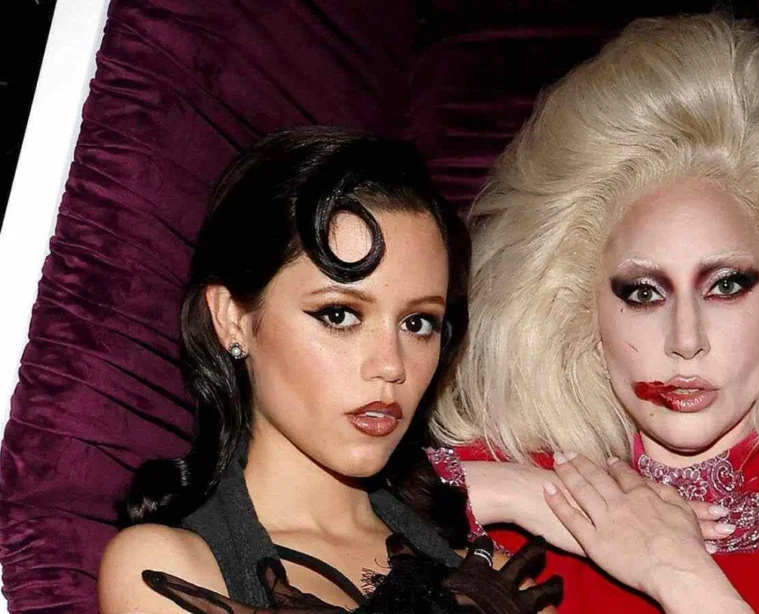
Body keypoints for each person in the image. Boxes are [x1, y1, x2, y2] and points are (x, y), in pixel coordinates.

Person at [429, 14, 759, 614]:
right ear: (583, 314)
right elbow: (331, 519)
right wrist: (516, 492)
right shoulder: (500, 476)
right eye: (644, 294)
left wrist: (678, 573)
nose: (686, 340)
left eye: (726, 287)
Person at [96, 127, 564, 614]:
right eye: (339, 314)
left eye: (417, 323)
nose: (391, 365)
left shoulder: (492, 580)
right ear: (232, 319)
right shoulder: (171, 570)